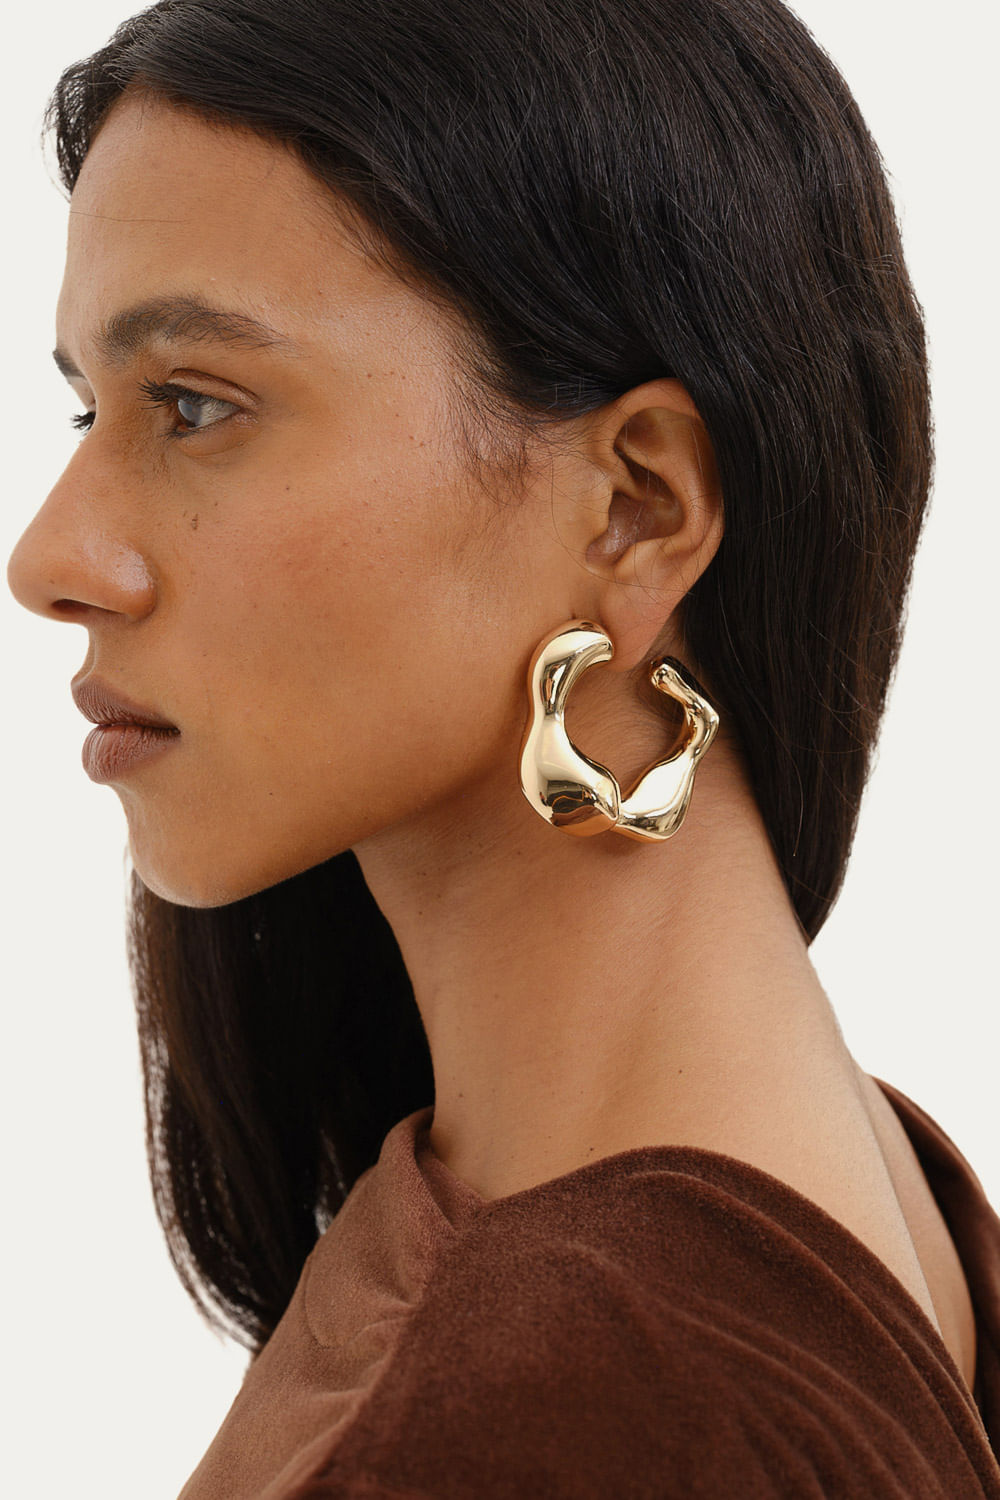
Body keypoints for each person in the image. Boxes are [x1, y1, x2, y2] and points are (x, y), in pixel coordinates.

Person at [7, 0, 1000, 1494]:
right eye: (87, 410)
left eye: (194, 405)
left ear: (637, 507)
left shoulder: (584, 1405)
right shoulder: (861, 1189)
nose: (51, 559)